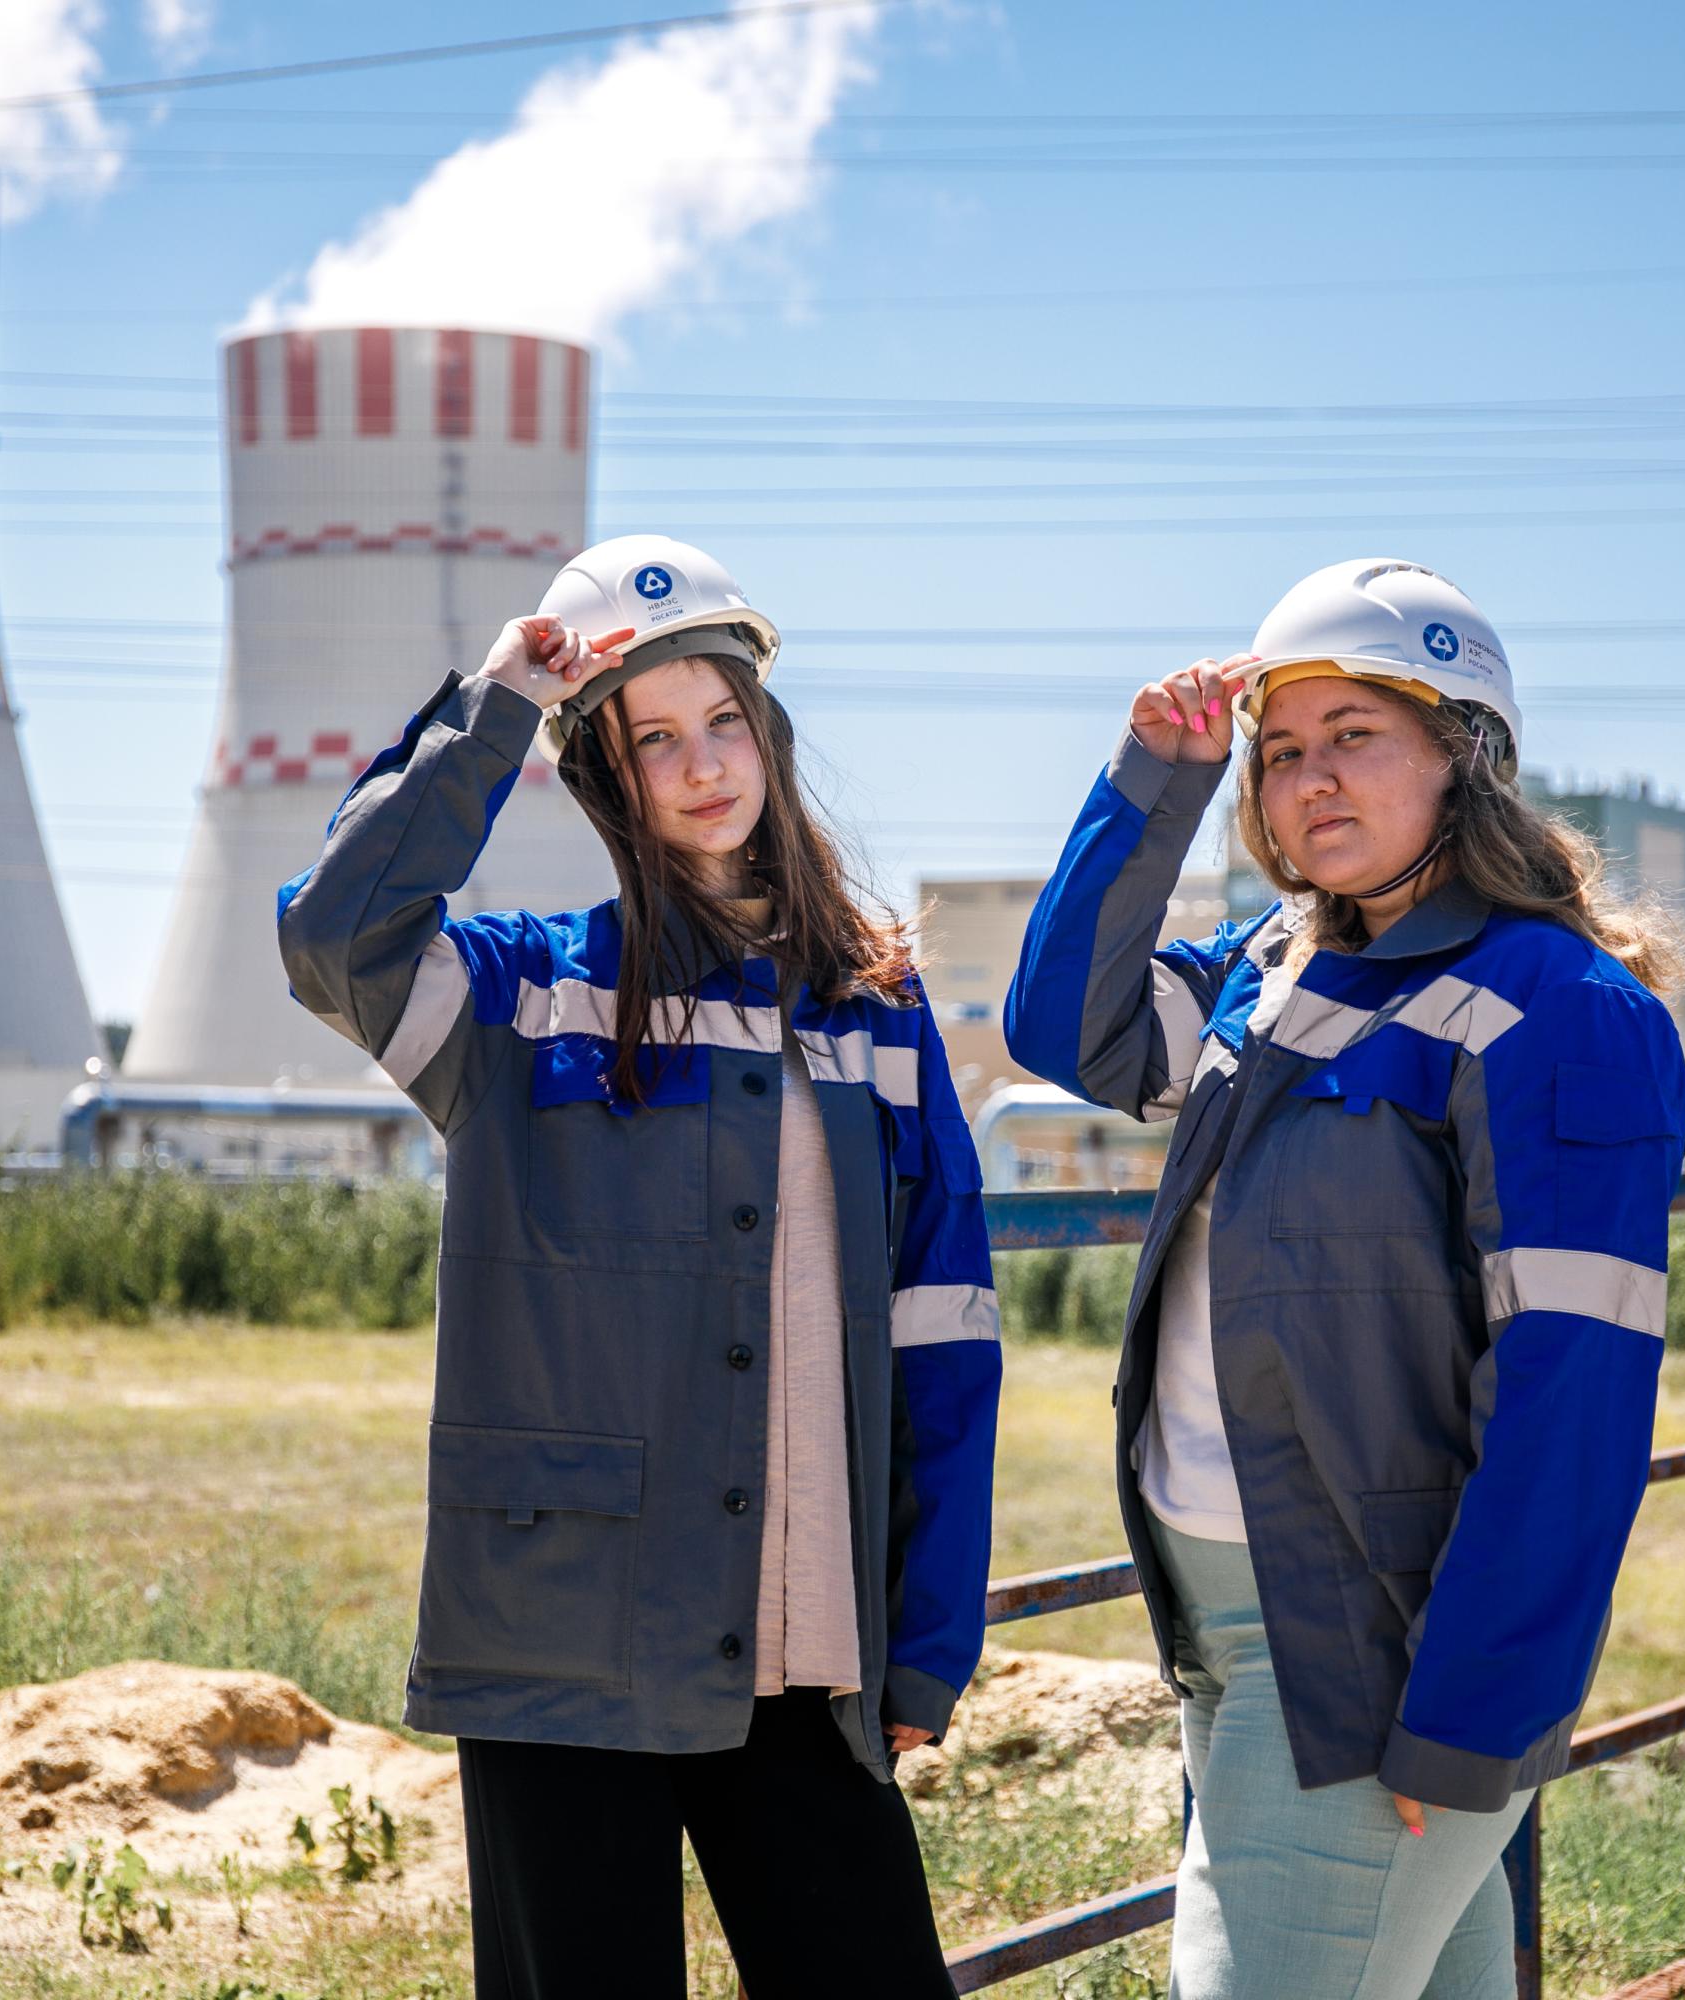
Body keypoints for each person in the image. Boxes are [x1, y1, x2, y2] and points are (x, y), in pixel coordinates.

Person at [277, 534, 999, 2000]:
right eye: (652, 739)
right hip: (561, 1641)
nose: (702, 765)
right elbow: (335, 936)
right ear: (604, 778)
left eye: (723, 720)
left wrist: (927, 1632)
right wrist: (496, 711)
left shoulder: (872, 1006)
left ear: (767, 730)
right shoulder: (523, 993)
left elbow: (944, 1322)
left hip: (803, 1634)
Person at [1003, 559, 1685, 2000]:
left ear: (1468, 757)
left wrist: (1472, 1711)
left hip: (1370, 1649)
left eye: (1356, 737)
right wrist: (1157, 781)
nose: (1311, 779)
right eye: (1281, 752)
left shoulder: (1563, 1011)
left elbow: (1571, 1399)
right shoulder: (1276, 964)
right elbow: (1068, 1026)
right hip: (1221, 1625)